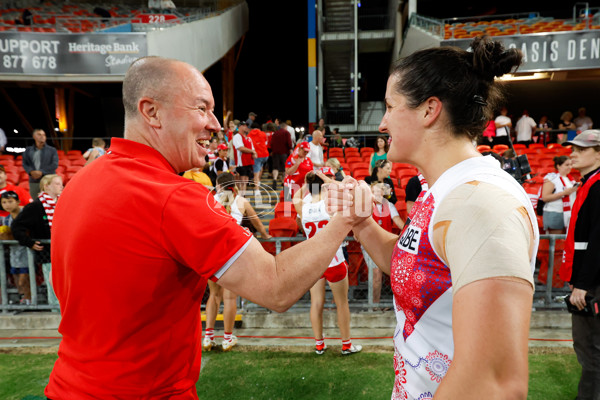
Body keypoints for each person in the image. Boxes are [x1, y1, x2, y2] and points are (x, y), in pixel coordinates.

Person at [45, 56, 359, 400]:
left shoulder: (77, 183)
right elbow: (277, 288)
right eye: (201, 108)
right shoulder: (175, 197)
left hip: (67, 385)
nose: (214, 124)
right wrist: (345, 217)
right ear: (151, 112)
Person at [326, 36, 537, 398]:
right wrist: (362, 223)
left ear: (429, 110)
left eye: (390, 107)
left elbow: (495, 382)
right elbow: (415, 265)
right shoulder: (443, 190)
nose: (382, 124)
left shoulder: (480, 203)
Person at [295, 171, 361, 355]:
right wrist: (325, 179)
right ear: (322, 184)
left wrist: (308, 183)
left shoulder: (301, 205)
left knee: (316, 303)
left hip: (313, 261)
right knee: (342, 303)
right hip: (334, 259)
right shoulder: (330, 203)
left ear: (308, 187)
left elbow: (296, 195)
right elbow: (341, 188)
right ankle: (346, 344)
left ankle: (319, 344)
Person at [203, 172, 272, 352]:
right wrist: (265, 235)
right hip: (231, 254)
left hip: (211, 252)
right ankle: (227, 337)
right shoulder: (240, 201)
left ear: (218, 185)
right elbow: (256, 221)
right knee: (229, 297)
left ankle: (208, 336)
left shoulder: (209, 201)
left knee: (213, 295)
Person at [558, 130, 600, 400]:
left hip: (593, 283)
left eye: (581, 149)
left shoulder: (597, 186)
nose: (572, 153)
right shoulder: (589, 183)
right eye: (573, 148)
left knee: (590, 348)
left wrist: (582, 285)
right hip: (590, 279)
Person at [12, 174, 63, 310]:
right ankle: (55, 309)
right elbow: (17, 227)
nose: (61, 187)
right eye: (57, 184)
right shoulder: (35, 207)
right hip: (47, 253)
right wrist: (29, 242)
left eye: (61, 183)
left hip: (64, 251)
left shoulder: (64, 202)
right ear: (46, 186)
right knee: (52, 282)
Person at [361, 182, 404, 310]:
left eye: (379, 191)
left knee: (392, 273)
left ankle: (382, 304)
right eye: (374, 191)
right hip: (371, 245)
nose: (377, 194)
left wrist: (408, 229)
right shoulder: (366, 207)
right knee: (376, 275)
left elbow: (398, 221)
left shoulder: (389, 205)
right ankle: (374, 305)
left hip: (385, 245)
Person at [0, 191, 30, 304]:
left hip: (26, 251)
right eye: (4, 202)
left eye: (10, 201)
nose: (7, 205)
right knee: (17, 279)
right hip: (14, 252)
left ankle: (29, 298)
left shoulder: (25, 214)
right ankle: (23, 298)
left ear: (17, 202)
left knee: (24, 279)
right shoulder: (5, 219)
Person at [541, 156, 578, 234]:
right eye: (567, 165)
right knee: (555, 241)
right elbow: (545, 197)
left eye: (571, 165)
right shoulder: (551, 178)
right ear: (558, 166)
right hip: (555, 212)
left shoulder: (570, 179)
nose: (570, 167)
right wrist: (564, 193)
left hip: (568, 212)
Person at [22, 129, 59, 199]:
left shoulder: (52, 150)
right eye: (39, 134)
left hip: (48, 181)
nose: (42, 137)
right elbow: (25, 163)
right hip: (34, 181)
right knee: (35, 202)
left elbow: (54, 164)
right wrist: (31, 172)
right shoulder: (28, 150)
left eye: (44, 135)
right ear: (34, 136)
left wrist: (41, 172)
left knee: (50, 201)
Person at [232, 121, 256, 193]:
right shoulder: (237, 136)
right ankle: (239, 196)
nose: (246, 127)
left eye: (246, 126)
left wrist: (254, 152)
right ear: (239, 127)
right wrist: (252, 152)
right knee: (241, 181)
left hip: (248, 162)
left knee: (245, 181)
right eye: (244, 125)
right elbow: (240, 148)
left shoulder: (248, 138)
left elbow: (253, 149)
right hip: (241, 163)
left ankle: (243, 196)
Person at [247, 123, 269, 190]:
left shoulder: (249, 135)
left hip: (256, 155)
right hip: (265, 155)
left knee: (256, 173)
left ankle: (257, 189)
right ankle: (258, 182)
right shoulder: (263, 133)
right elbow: (266, 143)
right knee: (260, 167)